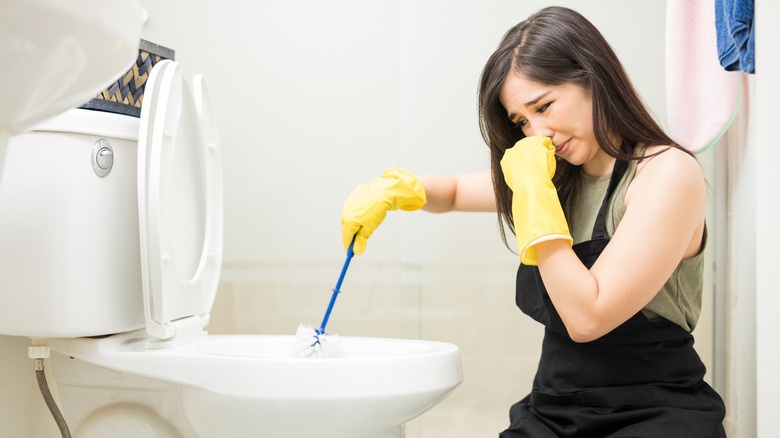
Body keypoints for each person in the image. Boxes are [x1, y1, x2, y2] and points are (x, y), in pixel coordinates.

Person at [340, 6, 726, 438]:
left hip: (654, 415)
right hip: (554, 412)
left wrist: (533, 198)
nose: (536, 133)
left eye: (543, 106)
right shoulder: (558, 179)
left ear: (592, 77)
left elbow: (588, 318)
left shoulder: (665, 174)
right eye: (522, 121)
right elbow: (451, 191)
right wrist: (394, 190)